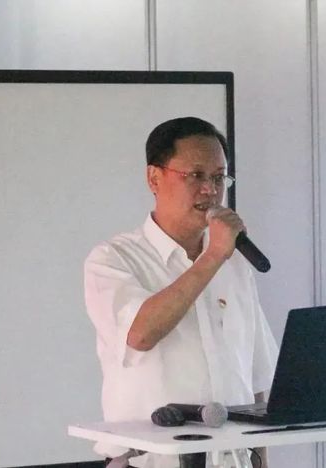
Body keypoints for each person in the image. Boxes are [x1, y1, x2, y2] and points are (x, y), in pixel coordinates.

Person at [84, 117, 279, 468]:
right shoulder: (112, 259)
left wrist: (261, 462)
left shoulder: (234, 265)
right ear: (154, 178)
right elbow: (140, 334)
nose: (210, 190)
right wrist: (213, 256)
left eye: (218, 178)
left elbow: (254, 379)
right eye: (196, 175)